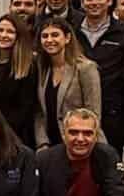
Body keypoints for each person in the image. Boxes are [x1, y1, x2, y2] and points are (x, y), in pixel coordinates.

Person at [76, 0, 124, 152]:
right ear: (82, 3)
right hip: (77, 111)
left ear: (109, 1)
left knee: (110, 160)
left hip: (114, 113)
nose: (94, 2)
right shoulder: (71, 31)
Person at [34, 18, 101, 148]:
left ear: (67, 38)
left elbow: (93, 114)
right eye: (45, 36)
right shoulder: (41, 69)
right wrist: (42, 143)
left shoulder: (86, 68)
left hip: (80, 143)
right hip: (50, 145)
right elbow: (40, 112)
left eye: (55, 35)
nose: (49, 40)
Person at [0, 14, 38, 146]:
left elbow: (26, 109)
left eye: (10, 32)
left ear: (19, 36)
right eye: (0, 30)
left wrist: (0, 129)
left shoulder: (29, 66)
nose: (3, 35)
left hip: (16, 135)